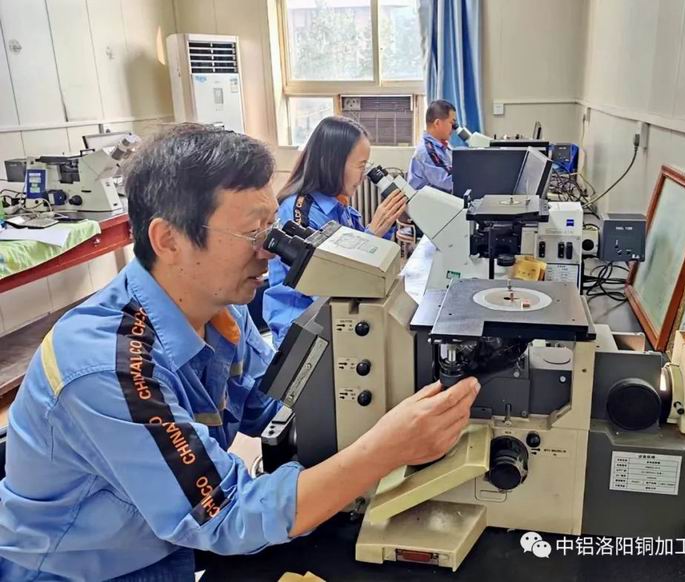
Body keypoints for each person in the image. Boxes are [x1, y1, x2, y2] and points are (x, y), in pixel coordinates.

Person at [0, 124, 479, 581]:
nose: (269, 250)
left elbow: (273, 405)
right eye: (253, 233)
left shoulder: (220, 314)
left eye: (272, 227)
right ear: (169, 239)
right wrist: (386, 449)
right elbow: (224, 513)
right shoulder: (107, 367)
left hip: (165, 545)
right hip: (88, 572)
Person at [264, 116, 406, 347]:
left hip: (335, 318)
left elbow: (365, 262)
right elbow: (328, 283)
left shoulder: (339, 207)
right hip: (305, 332)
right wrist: (373, 233)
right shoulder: (299, 214)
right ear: (332, 163)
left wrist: (387, 225)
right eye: (360, 166)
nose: (363, 177)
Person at [407, 99, 458, 193]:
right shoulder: (427, 151)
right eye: (452, 123)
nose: (454, 128)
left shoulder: (442, 147)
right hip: (427, 201)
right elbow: (447, 182)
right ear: (437, 123)